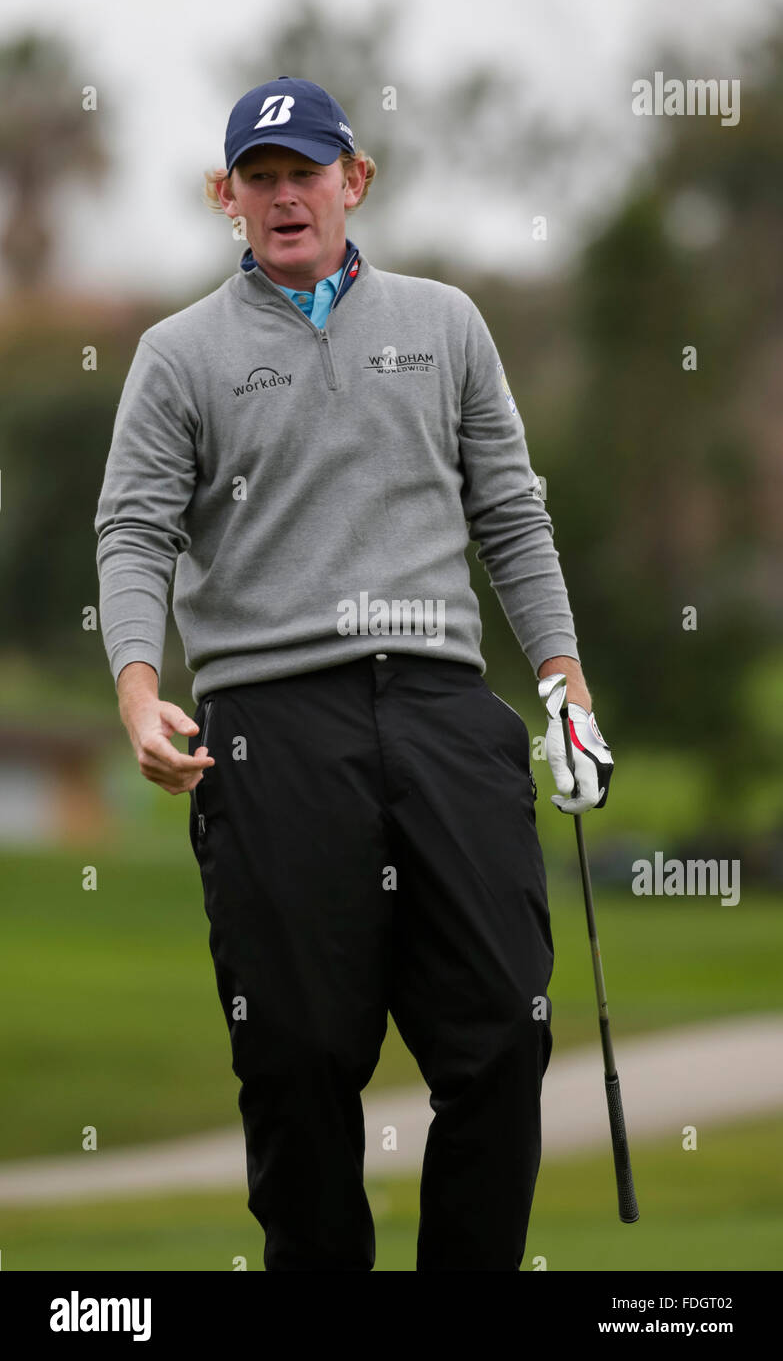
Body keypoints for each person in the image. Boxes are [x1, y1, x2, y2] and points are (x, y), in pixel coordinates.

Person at [94, 75, 614, 1272]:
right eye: (260, 179)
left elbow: (513, 519)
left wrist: (564, 682)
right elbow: (132, 531)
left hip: (441, 706)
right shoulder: (179, 355)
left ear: (355, 179)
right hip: (271, 724)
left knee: (500, 1034)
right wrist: (135, 687)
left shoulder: (448, 324)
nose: (285, 197)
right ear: (227, 197)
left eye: (305, 173)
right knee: (297, 1056)